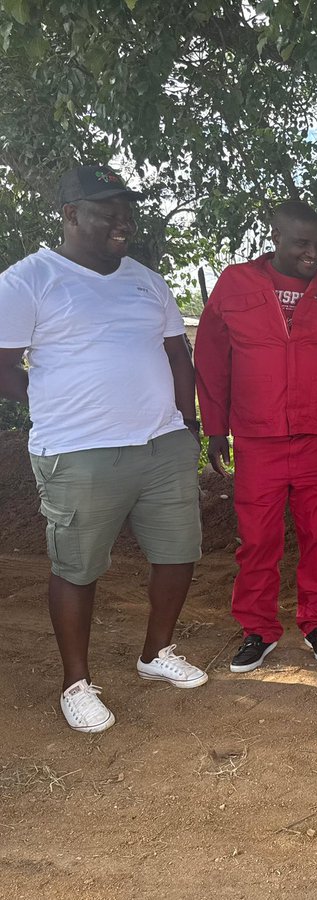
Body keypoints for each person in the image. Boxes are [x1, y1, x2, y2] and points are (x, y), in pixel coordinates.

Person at [0, 164, 207, 733]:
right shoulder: (28, 280)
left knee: (178, 553)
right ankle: (75, 683)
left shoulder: (146, 279)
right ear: (70, 215)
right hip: (78, 450)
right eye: (106, 209)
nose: (123, 220)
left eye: (126, 210)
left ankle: (155, 654)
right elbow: (2, 367)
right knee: (78, 567)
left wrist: (188, 424)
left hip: (162, 443)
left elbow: (176, 354)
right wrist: (50, 402)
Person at [194, 200, 317, 672]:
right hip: (257, 438)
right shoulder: (236, 283)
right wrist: (215, 428)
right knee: (258, 539)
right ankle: (257, 629)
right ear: (276, 238)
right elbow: (211, 358)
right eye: (302, 243)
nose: (313, 252)